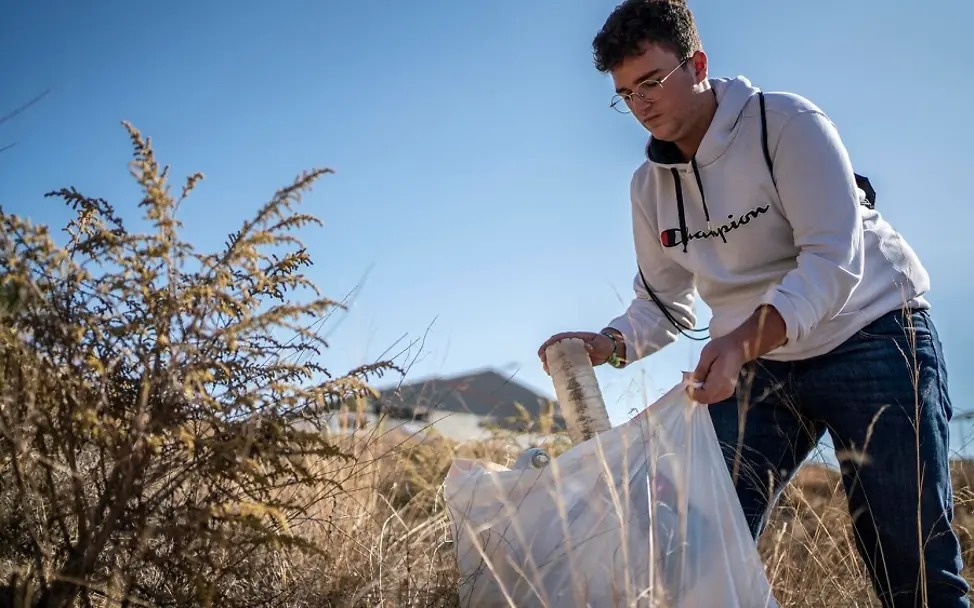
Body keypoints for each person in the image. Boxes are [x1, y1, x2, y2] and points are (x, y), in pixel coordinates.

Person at [537, 1, 969, 606]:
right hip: (761, 364)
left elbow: (831, 262)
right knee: (694, 551)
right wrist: (607, 344)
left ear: (699, 64)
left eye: (653, 82)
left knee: (912, 564)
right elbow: (663, 304)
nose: (641, 105)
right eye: (626, 93)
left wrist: (738, 343)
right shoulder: (648, 187)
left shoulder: (787, 123)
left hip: (872, 333)